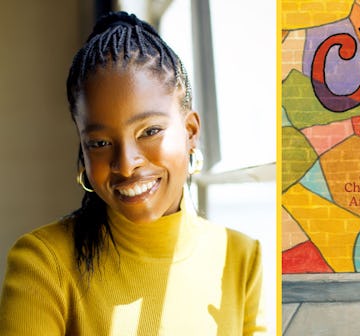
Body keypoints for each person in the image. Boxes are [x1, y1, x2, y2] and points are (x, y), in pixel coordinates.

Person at [0, 12, 265, 335]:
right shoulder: (43, 263)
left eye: (150, 130)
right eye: (99, 142)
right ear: (83, 150)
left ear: (191, 131)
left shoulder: (241, 259)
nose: (126, 164)